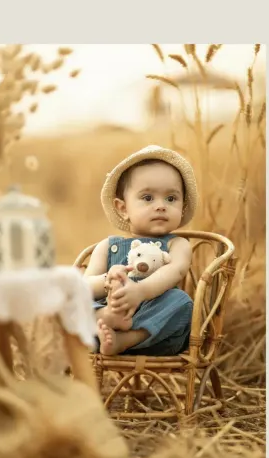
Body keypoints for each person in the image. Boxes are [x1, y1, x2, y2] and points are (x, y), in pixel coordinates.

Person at [84, 145, 198, 356]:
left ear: (182, 207)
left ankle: (126, 339)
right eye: (147, 198)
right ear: (123, 208)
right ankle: (106, 317)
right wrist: (108, 279)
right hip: (103, 328)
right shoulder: (107, 246)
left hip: (155, 334)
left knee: (182, 302)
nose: (161, 206)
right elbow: (85, 285)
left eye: (171, 199)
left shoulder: (177, 244)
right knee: (70, 297)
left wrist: (140, 292)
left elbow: (176, 271)